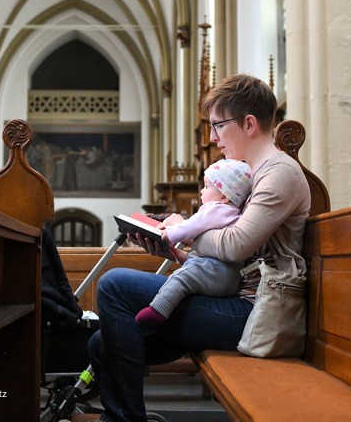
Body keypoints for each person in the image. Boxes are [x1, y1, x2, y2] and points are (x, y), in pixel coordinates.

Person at [81, 74, 311, 422]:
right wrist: (175, 252)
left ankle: (123, 419)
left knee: (115, 286)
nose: (214, 137)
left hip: (253, 314)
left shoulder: (279, 174)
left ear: (249, 124)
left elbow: (235, 247)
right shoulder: (252, 173)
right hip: (232, 299)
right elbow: (233, 262)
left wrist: (181, 231)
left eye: (218, 125)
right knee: (101, 343)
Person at [135, 159, 253, 325]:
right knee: (187, 275)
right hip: (228, 277)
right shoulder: (233, 213)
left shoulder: (215, 209)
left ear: (224, 196)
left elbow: (190, 227)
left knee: (180, 278)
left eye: (207, 186)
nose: (201, 192)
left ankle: (158, 311)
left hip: (217, 271)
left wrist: (169, 234)